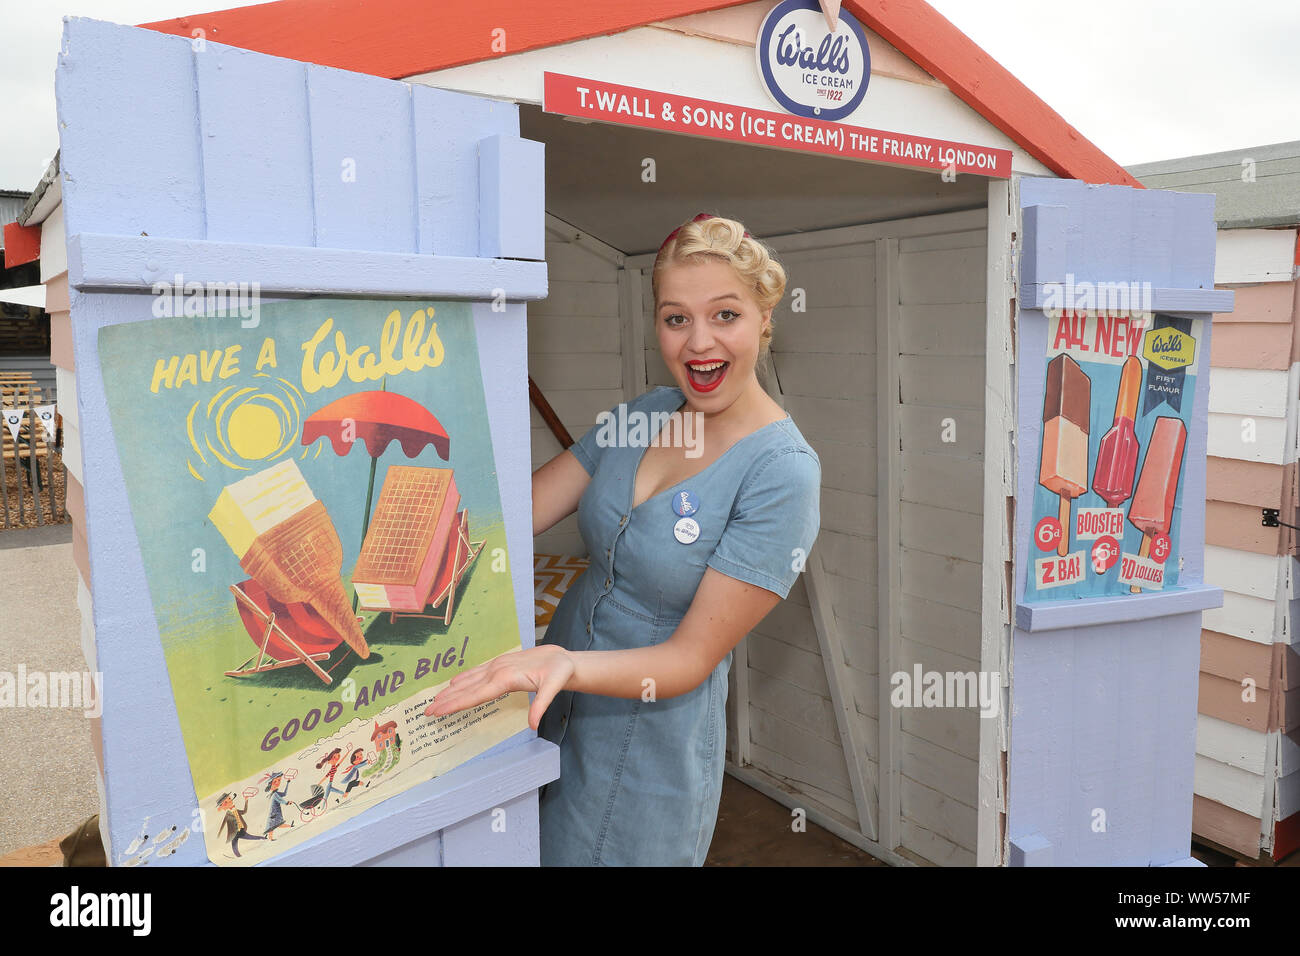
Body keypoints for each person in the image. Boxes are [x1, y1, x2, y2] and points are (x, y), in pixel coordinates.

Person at [427, 212, 822, 865]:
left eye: (725, 315)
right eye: (675, 318)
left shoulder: (781, 473)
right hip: (549, 705)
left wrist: (566, 665)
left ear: (765, 317)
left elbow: (692, 658)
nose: (699, 342)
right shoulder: (642, 415)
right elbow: (518, 512)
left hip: (647, 744)